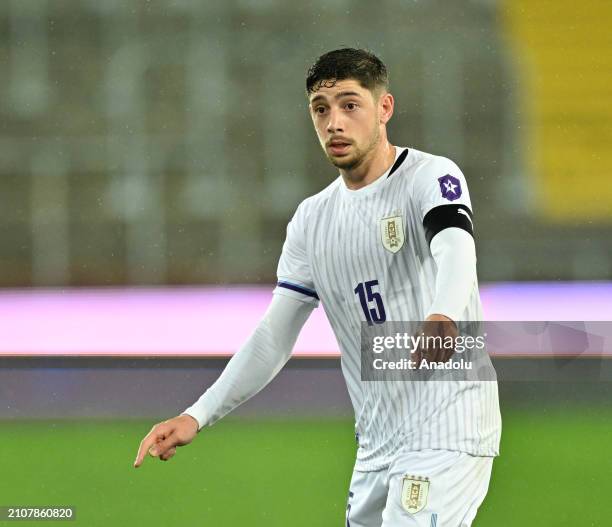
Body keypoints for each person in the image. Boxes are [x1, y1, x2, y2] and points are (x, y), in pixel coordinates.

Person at [134, 47, 501, 527]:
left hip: (448, 431)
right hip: (376, 445)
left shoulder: (429, 177)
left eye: (350, 105)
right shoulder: (312, 220)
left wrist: (444, 315)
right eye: (321, 109)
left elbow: (455, 248)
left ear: (384, 108)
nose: (334, 123)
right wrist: (196, 414)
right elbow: (274, 336)